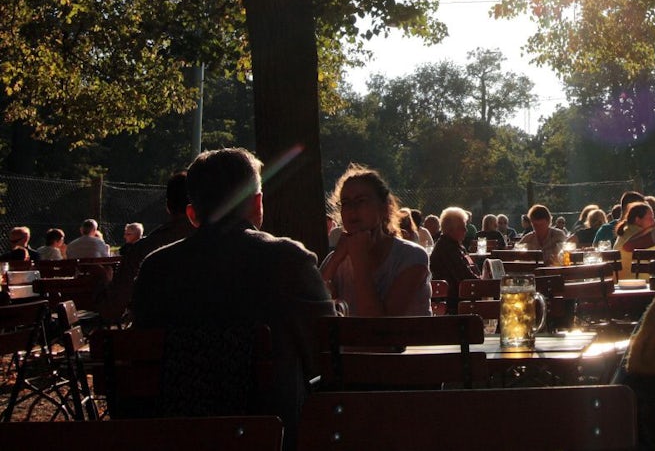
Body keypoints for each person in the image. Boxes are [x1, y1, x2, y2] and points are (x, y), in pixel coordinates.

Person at [130, 148, 332, 448]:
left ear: (192, 213)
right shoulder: (288, 260)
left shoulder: (155, 269)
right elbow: (325, 351)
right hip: (273, 434)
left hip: (177, 435)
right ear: (257, 203)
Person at [320, 164, 431, 316]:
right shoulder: (337, 260)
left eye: (361, 201)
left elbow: (379, 328)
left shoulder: (411, 257)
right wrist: (335, 259)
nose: (352, 209)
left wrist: (360, 259)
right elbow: (311, 311)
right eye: (345, 203)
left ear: (385, 208)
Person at [97, 171, 196, 324]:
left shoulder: (142, 251)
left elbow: (112, 310)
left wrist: (103, 281)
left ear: (168, 206)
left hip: (152, 344)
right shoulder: (220, 247)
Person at [430, 207, 480, 313]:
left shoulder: (454, 245)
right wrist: (484, 283)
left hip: (459, 300)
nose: (466, 230)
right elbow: (465, 277)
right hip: (454, 305)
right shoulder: (447, 249)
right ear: (450, 230)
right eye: (462, 227)